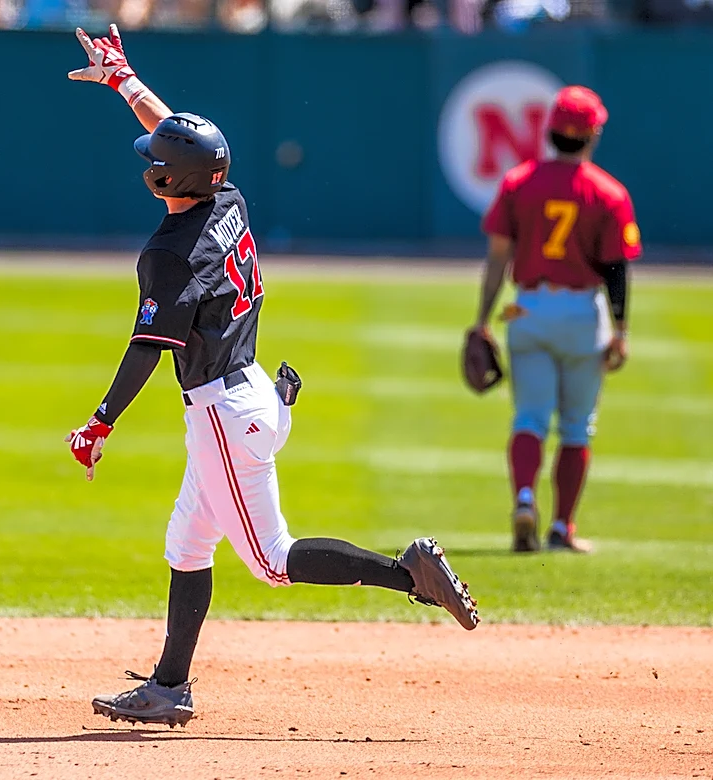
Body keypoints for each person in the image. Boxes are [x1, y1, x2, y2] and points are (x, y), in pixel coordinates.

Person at [65, 25, 479, 728]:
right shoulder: (229, 201)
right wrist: (124, 81)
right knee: (188, 543)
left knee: (274, 562)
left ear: (166, 180)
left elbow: (147, 347)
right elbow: (187, 143)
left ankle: (407, 572)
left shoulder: (170, 252)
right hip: (250, 392)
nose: (152, 160)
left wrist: (101, 421)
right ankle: (169, 686)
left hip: (225, 415)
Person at [472, 85, 641, 555]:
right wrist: (622, 331)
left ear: (550, 130)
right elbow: (616, 270)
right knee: (575, 426)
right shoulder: (608, 192)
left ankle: (525, 498)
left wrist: (483, 318)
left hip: (526, 306)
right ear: (592, 133)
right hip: (581, 312)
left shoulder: (518, 181)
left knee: (528, 417)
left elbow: (497, 260)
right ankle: (563, 527)